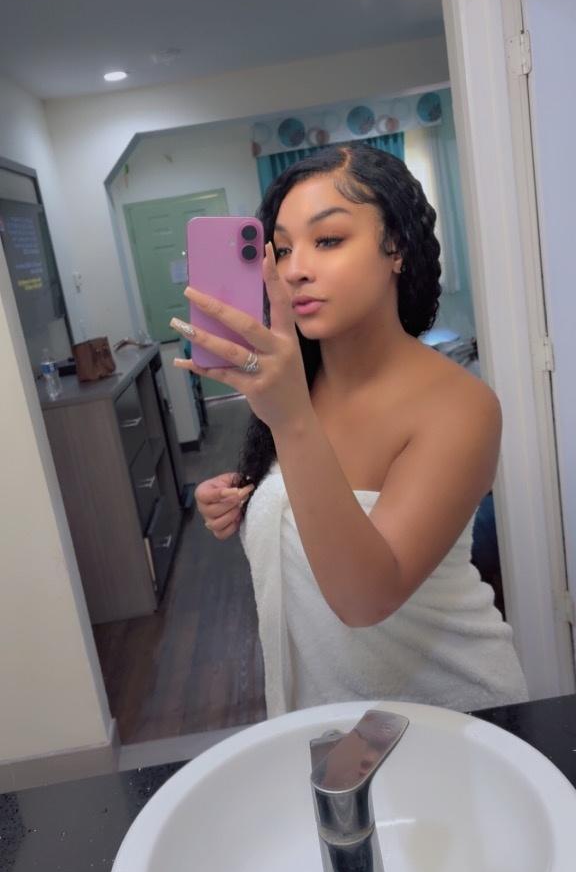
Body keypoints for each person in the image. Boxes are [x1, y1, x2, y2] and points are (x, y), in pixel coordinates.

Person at [171, 143, 528, 716]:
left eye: (329, 239)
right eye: (283, 249)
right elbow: (316, 500)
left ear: (397, 248)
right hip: (332, 723)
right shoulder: (300, 384)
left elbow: (366, 599)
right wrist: (251, 496)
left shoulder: (462, 407)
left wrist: (291, 419)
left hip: (454, 717)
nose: (295, 269)